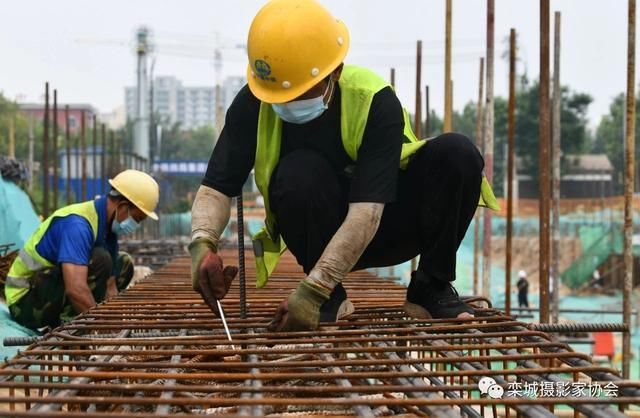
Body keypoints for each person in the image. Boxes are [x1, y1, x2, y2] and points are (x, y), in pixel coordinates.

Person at [189, 0, 498, 332]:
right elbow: (217, 187)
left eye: (301, 91)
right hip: (316, 235)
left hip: (388, 224)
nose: (290, 101)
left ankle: (430, 287)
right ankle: (332, 297)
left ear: (334, 72)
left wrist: (310, 292)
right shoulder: (255, 101)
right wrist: (202, 245)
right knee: (298, 172)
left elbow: (368, 212)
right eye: (281, 95)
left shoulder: (373, 100)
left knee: (458, 152)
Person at [4, 170, 160, 330]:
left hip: (47, 290)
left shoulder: (107, 229)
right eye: (137, 218)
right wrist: (101, 328)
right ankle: (72, 329)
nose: (135, 225)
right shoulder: (77, 225)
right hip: (24, 302)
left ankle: (84, 318)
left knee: (123, 262)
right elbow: (75, 289)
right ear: (122, 206)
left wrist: (116, 321)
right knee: (100, 259)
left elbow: (110, 285)